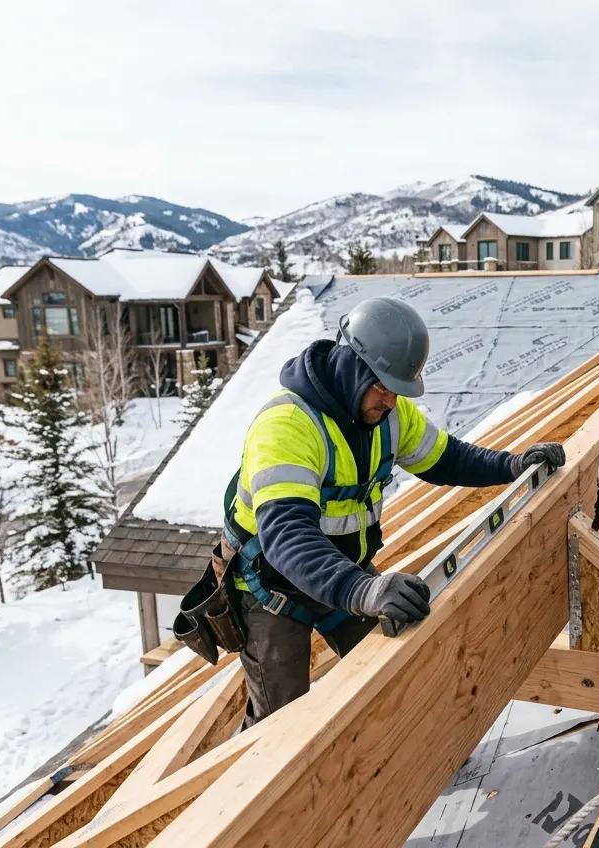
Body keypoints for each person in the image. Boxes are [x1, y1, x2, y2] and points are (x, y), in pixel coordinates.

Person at [225, 296, 565, 725]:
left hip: (342, 573)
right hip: (273, 588)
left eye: (396, 390)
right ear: (352, 365)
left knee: (398, 670)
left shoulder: (387, 413)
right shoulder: (287, 426)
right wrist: (361, 590)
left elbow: (445, 458)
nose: (390, 401)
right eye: (382, 387)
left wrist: (510, 466)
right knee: (281, 723)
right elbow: (287, 535)